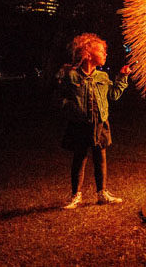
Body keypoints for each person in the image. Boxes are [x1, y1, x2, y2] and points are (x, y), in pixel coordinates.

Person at [57, 33, 131, 209]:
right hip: (79, 124)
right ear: (88, 54)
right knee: (80, 157)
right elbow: (59, 98)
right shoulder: (71, 76)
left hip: (100, 123)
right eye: (102, 51)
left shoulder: (102, 78)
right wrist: (73, 110)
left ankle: (102, 193)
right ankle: (75, 195)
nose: (105, 55)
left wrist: (122, 77)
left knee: (100, 156)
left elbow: (113, 95)